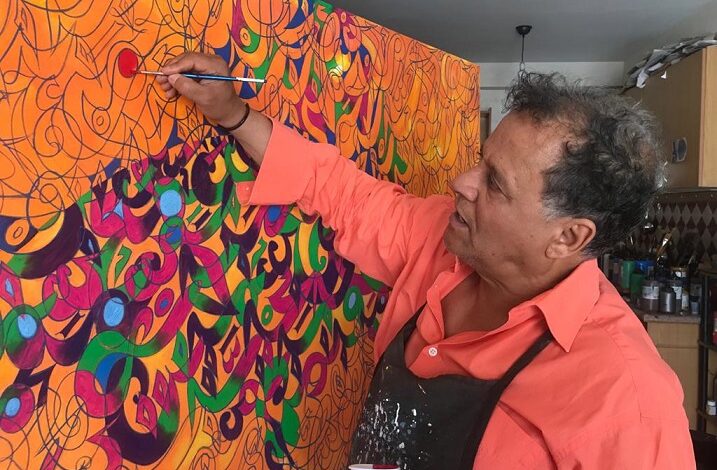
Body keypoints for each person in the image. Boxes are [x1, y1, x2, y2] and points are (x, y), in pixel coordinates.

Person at [157, 53, 695, 469]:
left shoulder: (629, 401)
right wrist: (232, 114)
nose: (461, 183)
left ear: (569, 236)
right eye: (481, 161)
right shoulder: (441, 237)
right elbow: (340, 191)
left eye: (495, 184)